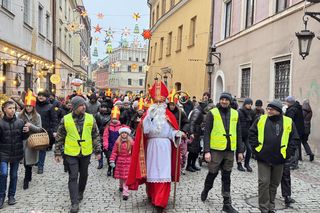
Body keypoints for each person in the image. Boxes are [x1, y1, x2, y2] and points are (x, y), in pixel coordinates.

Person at [126, 81, 182, 212]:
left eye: (161, 102)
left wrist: (177, 134)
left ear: (164, 102)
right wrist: (149, 117)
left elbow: (172, 131)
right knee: (152, 172)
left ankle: (161, 201)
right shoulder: (148, 115)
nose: (158, 105)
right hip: (151, 146)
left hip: (165, 147)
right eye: (156, 102)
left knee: (163, 172)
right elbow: (144, 131)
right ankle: (152, 195)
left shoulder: (169, 115)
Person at [249, 99, 299, 213]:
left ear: (278, 110)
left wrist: (288, 153)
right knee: (264, 182)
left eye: (271, 109)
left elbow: (294, 138)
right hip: (263, 157)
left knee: (274, 184)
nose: (269, 111)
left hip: (280, 158)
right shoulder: (260, 119)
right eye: (268, 109)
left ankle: (271, 206)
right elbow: (252, 133)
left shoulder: (288, 121)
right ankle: (264, 208)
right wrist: (256, 150)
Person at [54, 96, 101, 213]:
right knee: (73, 176)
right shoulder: (66, 119)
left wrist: (98, 150)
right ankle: (74, 203)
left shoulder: (91, 118)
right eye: (81, 105)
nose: (84, 107)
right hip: (71, 152)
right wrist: (57, 152)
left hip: (85, 152)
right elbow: (60, 136)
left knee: (84, 174)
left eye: (84, 105)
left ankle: (80, 192)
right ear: (75, 107)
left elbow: (95, 135)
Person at [200, 92, 244, 213]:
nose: (224, 101)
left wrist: (240, 151)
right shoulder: (212, 113)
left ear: (230, 101)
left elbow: (239, 133)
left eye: (226, 100)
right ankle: (206, 189)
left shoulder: (235, 113)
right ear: (219, 100)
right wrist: (207, 151)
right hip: (216, 150)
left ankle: (227, 203)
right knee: (212, 173)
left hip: (229, 150)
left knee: (227, 176)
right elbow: (206, 133)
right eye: (222, 99)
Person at [0, 101, 29, 209]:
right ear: (4, 109)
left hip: (16, 153)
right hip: (3, 153)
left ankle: (11, 196)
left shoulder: (20, 122)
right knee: (3, 174)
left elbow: (24, 137)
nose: (12, 110)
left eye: (14, 108)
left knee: (14, 175)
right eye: (10, 108)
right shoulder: (0, 123)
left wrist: (26, 131)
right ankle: (1, 196)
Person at [18, 91, 42, 190]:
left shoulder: (37, 116)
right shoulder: (20, 115)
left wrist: (30, 126)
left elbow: (39, 129)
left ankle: (26, 180)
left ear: (33, 107)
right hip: (22, 141)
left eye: (30, 106)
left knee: (29, 162)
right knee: (24, 161)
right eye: (26, 106)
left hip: (32, 141)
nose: (28, 108)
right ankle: (28, 176)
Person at [109, 126, 134, 200]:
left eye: (125, 133)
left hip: (128, 162)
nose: (124, 134)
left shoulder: (131, 143)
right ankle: (120, 186)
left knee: (126, 178)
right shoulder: (117, 143)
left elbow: (134, 152)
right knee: (121, 176)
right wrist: (112, 160)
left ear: (127, 134)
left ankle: (125, 193)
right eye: (122, 133)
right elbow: (114, 152)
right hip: (120, 162)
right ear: (120, 134)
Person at [36, 90, 58, 173]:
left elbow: (54, 119)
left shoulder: (50, 106)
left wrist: (55, 130)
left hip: (45, 131)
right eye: (39, 95)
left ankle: (40, 166)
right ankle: (36, 162)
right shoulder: (34, 106)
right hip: (34, 131)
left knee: (42, 149)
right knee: (34, 148)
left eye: (43, 96)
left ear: (46, 97)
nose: (41, 97)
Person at [187, 101, 207, 172]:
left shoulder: (199, 111)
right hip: (194, 133)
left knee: (196, 150)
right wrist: (191, 133)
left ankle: (193, 164)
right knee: (192, 151)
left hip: (197, 132)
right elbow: (192, 122)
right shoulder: (197, 112)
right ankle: (189, 165)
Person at [237, 98, 255, 172]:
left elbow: (253, 123)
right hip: (240, 134)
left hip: (247, 134)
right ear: (245, 104)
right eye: (248, 104)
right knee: (239, 150)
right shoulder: (239, 112)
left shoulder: (252, 112)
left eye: (251, 104)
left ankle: (247, 164)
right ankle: (239, 164)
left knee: (249, 149)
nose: (250, 105)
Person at [103, 106, 122, 176]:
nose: (114, 120)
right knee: (109, 158)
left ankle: (114, 170)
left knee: (116, 159)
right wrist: (105, 144)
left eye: (116, 119)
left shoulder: (120, 127)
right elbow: (105, 136)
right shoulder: (108, 127)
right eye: (113, 119)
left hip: (117, 146)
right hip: (110, 146)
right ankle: (109, 168)